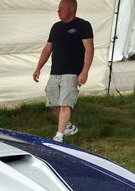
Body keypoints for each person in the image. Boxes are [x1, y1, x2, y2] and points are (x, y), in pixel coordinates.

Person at [33, 0, 94, 143]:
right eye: (58, 8)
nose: (58, 11)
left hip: (72, 73)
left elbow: (89, 50)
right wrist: (38, 68)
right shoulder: (56, 27)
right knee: (53, 102)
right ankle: (68, 126)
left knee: (66, 103)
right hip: (55, 72)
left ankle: (59, 136)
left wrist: (84, 72)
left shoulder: (83, 26)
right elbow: (47, 49)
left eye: (61, 8)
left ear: (71, 9)